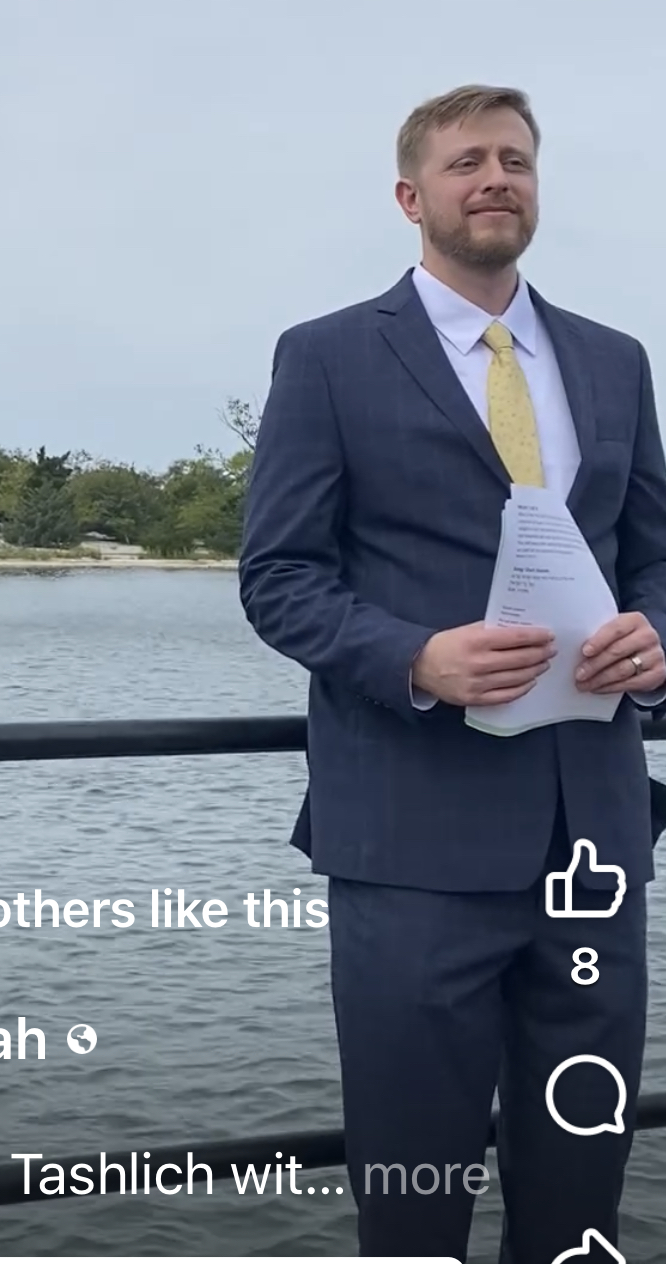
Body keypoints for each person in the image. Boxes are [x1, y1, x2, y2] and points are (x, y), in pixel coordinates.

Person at [239, 84, 666, 1264]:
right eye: (467, 160)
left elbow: (652, 560)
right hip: (410, 844)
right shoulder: (325, 356)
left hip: (592, 841)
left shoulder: (614, 360)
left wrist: (654, 643)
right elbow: (276, 576)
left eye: (516, 159)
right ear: (408, 195)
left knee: (580, 1182)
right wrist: (413, 657)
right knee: (414, 1191)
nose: (495, 177)